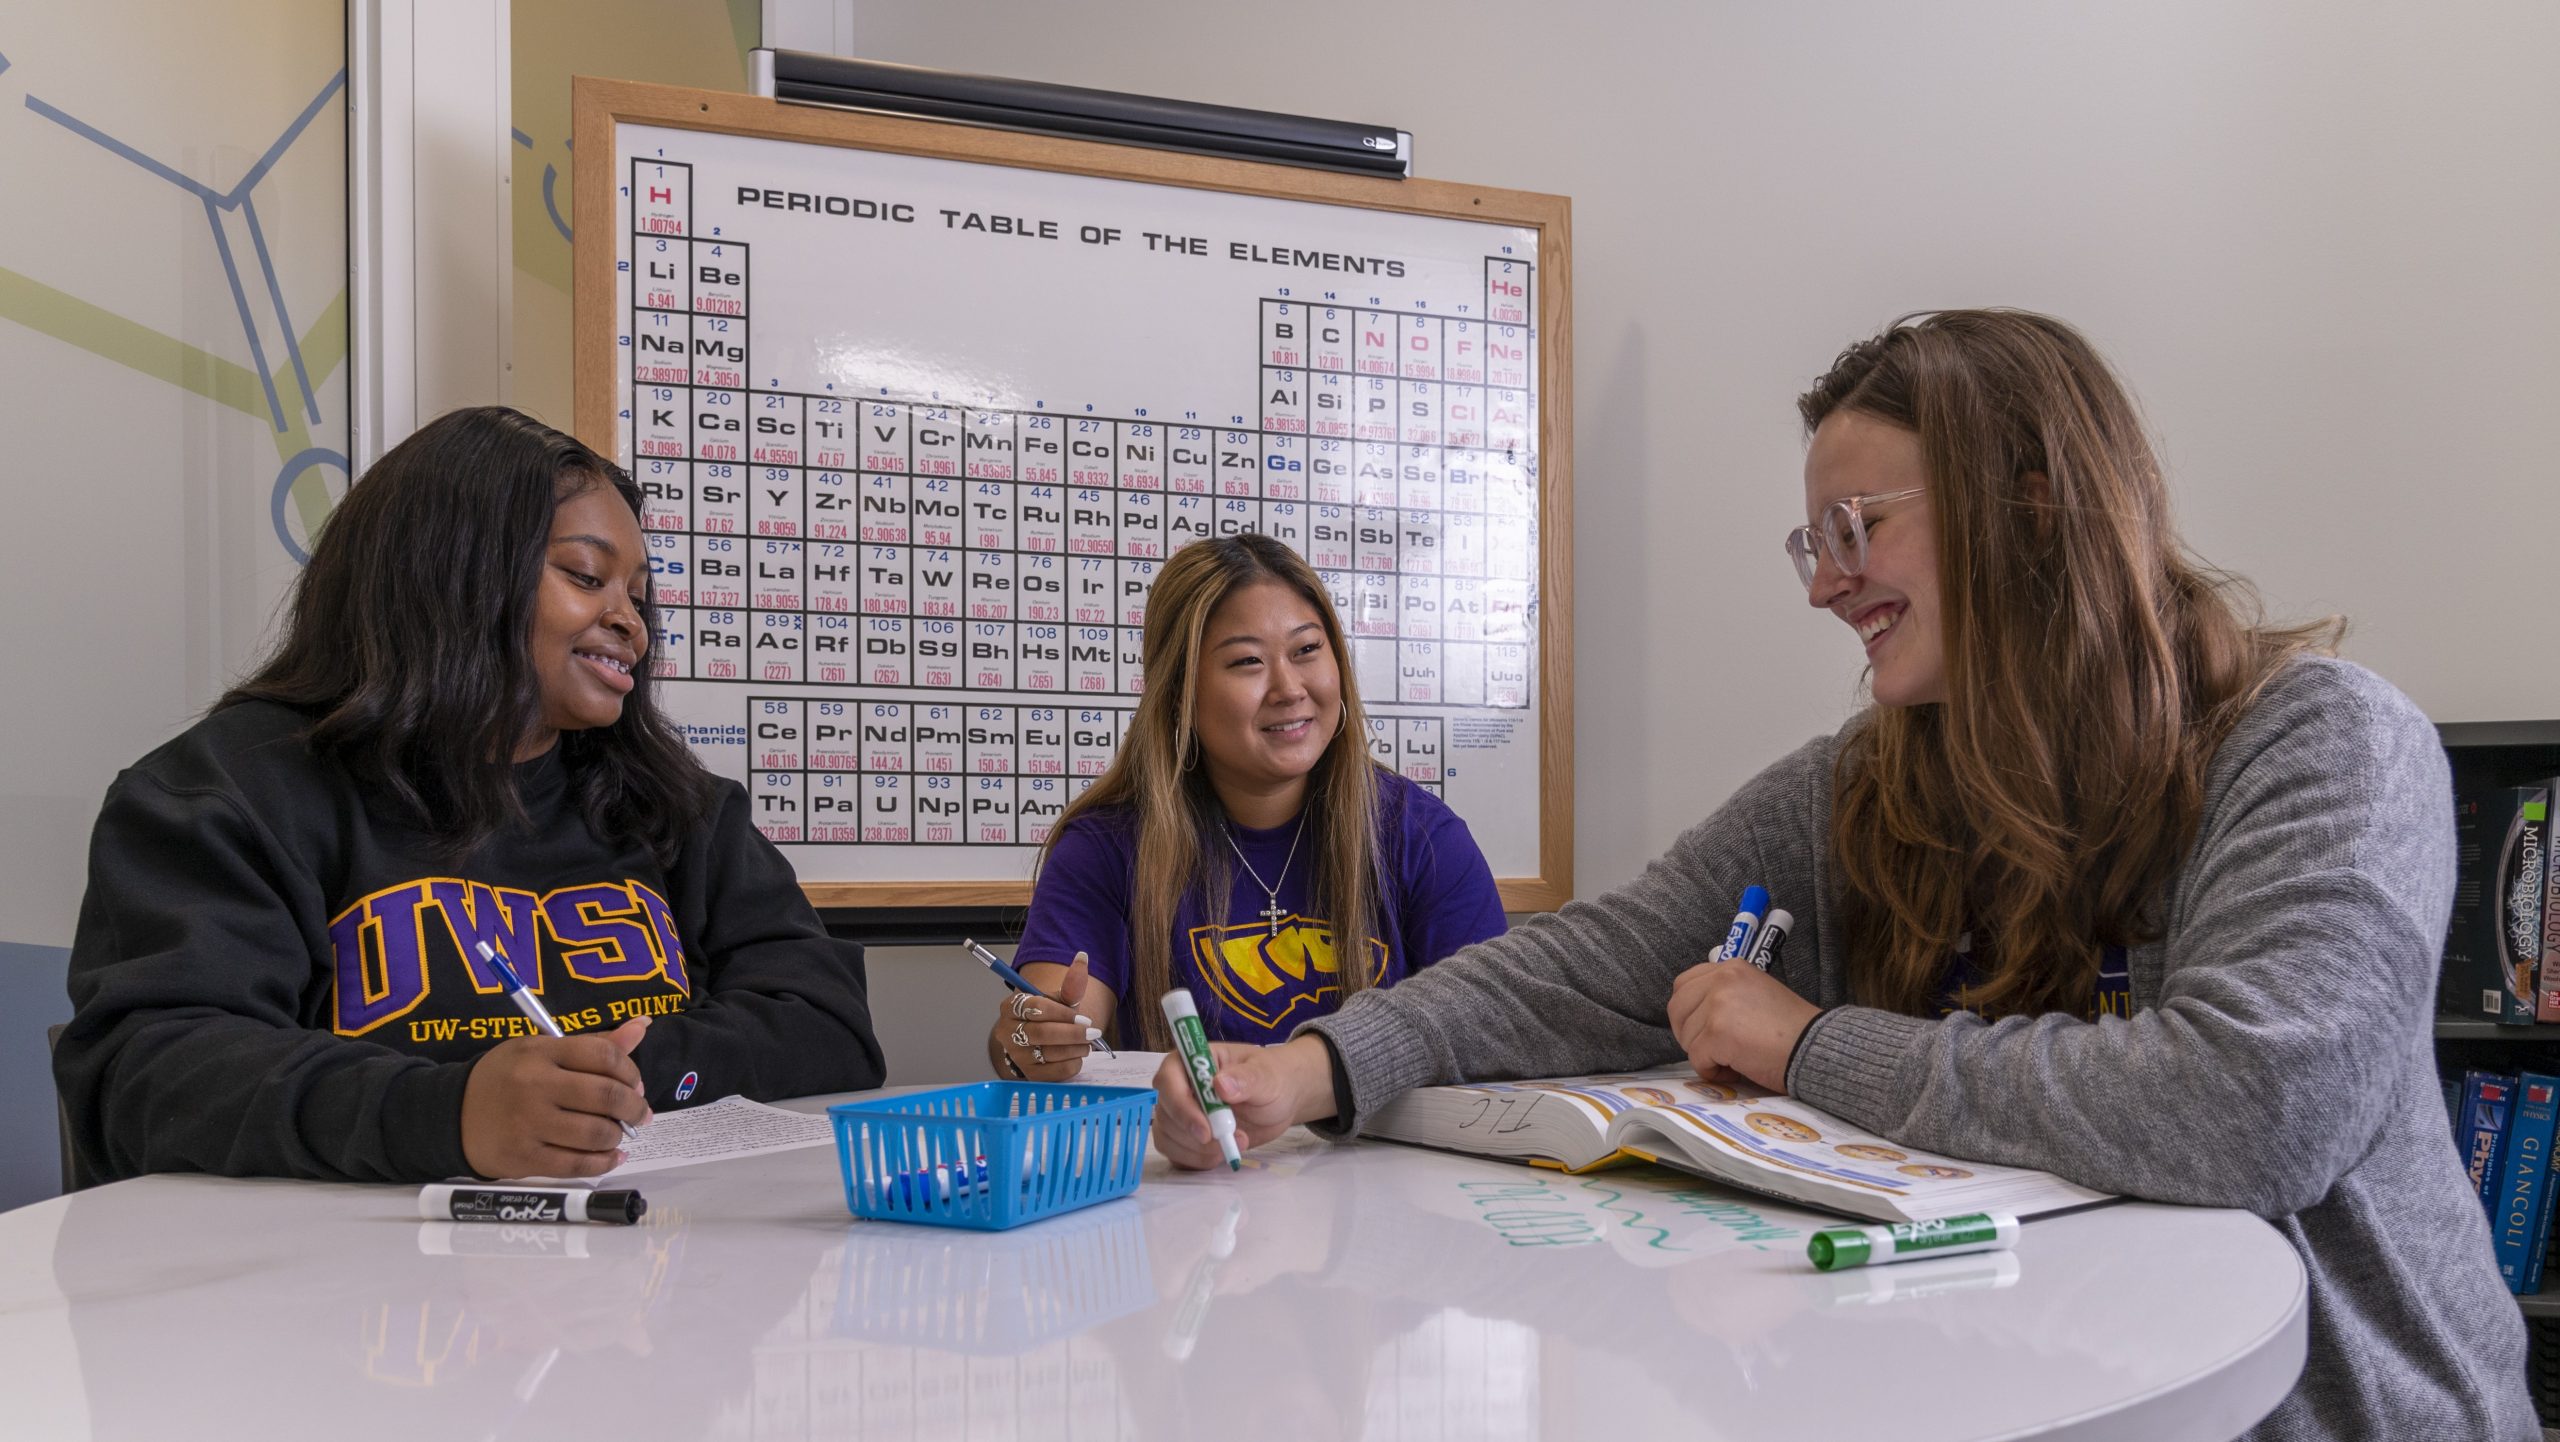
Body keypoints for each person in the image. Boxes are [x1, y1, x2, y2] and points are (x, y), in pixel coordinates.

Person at [1152, 311, 2535, 1439]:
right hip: (2023, 1390)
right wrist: (1319, 1064)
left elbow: (2256, 1106)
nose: (1824, 584)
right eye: (1815, 541)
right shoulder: (1866, 778)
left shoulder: (2322, 742)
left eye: (1859, 528)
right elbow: (1604, 956)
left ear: (2031, 508)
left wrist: (1813, 1045)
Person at [55, 407, 886, 1185]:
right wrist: (450, 1113)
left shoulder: (681, 808)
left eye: (637, 594)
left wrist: (622, 1076)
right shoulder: (224, 794)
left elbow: (827, 1026)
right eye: (587, 576)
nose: (632, 622)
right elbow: (151, 1075)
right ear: (453, 572)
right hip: (335, 1303)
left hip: (641, 1286)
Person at [988, 533, 1506, 1074]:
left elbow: (1491, 1032)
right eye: (1247, 662)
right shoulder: (1106, 846)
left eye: (1307, 650)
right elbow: (1046, 1025)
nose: (1288, 688)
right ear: (1179, 692)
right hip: (1190, 1153)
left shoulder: (1421, 833)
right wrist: (1034, 1038)